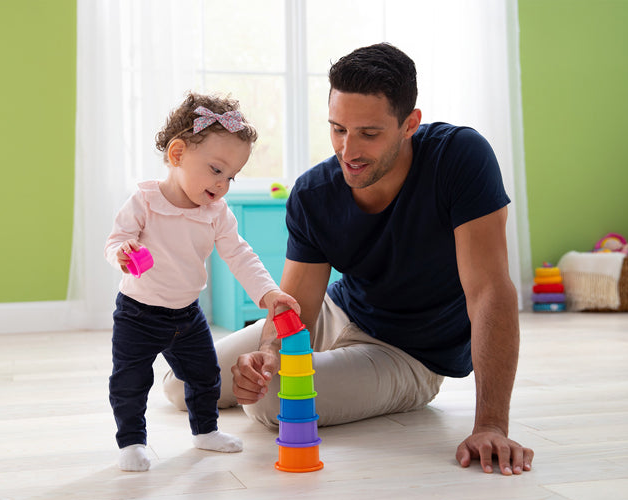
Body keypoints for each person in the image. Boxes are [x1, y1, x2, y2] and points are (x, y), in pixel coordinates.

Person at [164, 43, 534, 476]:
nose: (348, 149)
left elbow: (490, 290)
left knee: (271, 400)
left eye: (369, 133)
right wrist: (266, 352)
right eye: (338, 129)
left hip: (408, 352)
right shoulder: (313, 194)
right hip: (339, 310)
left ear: (409, 124)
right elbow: (296, 307)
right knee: (181, 381)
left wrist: (491, 424)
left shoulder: (460, 158)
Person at [105, 92, 300, 472]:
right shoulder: (144, 201)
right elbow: (114, 242)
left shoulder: (216, 212)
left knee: (206, 376)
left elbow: (239, 254)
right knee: (129, 382)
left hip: (186, 315)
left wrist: (268, 291)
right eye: (216, 170)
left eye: (232, 176)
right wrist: (123, 252)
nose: (224, 183)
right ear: (177, 155)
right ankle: (131, 441)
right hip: (138, 315)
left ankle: (205, 431)